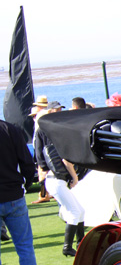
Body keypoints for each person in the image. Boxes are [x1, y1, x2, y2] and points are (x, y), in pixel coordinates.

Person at [0, 117, 43, 265]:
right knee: (25, 248)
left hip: (12, 194)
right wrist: (26, 183)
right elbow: (26, 160)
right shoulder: (10, 129)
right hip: (13, 195)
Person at [33, 102, 86, 256]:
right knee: (75, 211)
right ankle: (67, 247)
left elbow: (40, 156)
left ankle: (80, 244)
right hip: (56, 179)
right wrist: (75, 178)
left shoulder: (44, 133)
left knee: (79, 211)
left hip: (54, 179)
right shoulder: (55, 135)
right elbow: (65, 160)